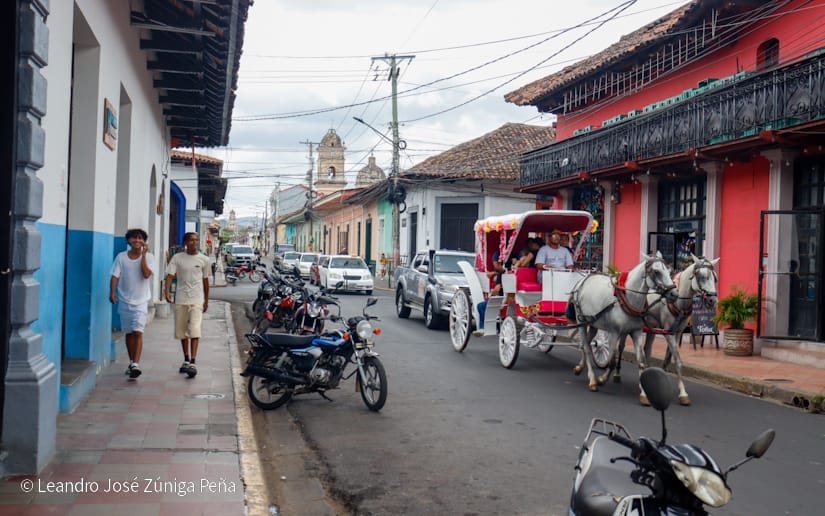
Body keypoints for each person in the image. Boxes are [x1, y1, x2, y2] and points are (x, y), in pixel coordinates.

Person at [110, 228, 154, 379]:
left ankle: (136, 363)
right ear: (128, 241)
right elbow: (115, 275)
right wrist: (112, 292)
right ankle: (131, 361)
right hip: (124, 299)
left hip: (141, 300)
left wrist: (143, 256)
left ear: (144, 242)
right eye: (134, 238)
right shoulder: (121, 257)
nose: (137, 241)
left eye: (140, 238)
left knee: (138, 331)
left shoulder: (149, 257)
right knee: (128, 332)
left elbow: (146, 274)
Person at [165, 232, 210, 378]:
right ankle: (185, 358)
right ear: (185, 242)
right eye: (191, 240)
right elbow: (170, 275)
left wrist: (206, 300)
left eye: (196, 240)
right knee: (182, 331)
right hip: (181, 299)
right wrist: (167, 291)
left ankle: (193, 361)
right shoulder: (177, 258)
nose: (194, 242)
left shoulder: (204, 259)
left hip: (197, 300)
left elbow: (205, 281)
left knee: (195, 330)